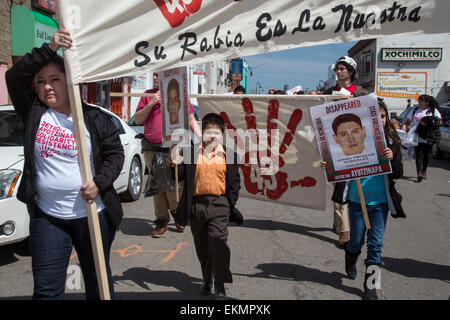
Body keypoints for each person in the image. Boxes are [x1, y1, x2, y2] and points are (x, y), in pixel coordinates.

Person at [5, 29, 124, 299]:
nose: (48, 86)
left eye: (55, 79)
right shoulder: (35, 112)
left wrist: (99, 183)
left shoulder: (94, 118)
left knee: (98, 285)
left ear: (70, 82)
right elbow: (13, 76)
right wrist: (49, 49)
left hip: (93, 215)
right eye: (41, 81)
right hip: (48, 216)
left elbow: (115, 154)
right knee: (47, 291)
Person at [323, 99, 405, 299]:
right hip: (357, 200)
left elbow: (398, 174)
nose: (380, 119)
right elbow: (337, 165)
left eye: (383, 116)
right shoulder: (351, 140)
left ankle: (371, 286)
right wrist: (331, 166)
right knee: (356, 241)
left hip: (380, 203)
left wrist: (392, 159)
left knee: (376, 244)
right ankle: (350, 255)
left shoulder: (391, 143)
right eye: (375, 115)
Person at [171, 113, 241, 300]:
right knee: (202, 247)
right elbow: (176, 176)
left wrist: (229, 202)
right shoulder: (190, 153)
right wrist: (174, 160)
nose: (212, 136)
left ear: (222, 134)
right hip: (196, 206)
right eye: (208, 132)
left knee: (218, 242)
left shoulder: (231, 155)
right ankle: (206, 279)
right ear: (202, 133)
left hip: (219, 206)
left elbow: (235, 183)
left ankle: (220, 284)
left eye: (216, 133)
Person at [134, 73, 201, 238]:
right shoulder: (148, 95)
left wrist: (202, 140)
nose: (156, 77)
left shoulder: (179, 94)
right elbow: (138, 120)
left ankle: (177, 212)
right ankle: (161, 220)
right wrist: (152, 103)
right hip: (152, 148)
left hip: (174, 146)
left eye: (159, 75)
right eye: (154, 74)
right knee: (158, 185)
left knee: (174, 183)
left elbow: (191, 120)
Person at [325, 56, 369, 246]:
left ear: (351, 71)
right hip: (334, 145)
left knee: (349, 188)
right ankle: (342, 227)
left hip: (356, 147)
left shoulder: (361, 92)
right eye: (337, 69)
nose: (339, 72)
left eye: (342, 68)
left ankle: (342, 227)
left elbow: (368, 116)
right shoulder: (329, 92)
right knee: (339, 186)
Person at [401, 94, 441, 182]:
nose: (419, 103)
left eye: (421, 101)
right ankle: (419, 172)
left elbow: (439, 122)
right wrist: (404, 127)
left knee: (426, 154)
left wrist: (427, 123)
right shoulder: (415, 110)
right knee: (418, 153)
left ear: (427, 103)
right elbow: (408, 121)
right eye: (419, 101)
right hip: (417, 135)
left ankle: (424, 171)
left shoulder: (433, 111)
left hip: (428, 135)